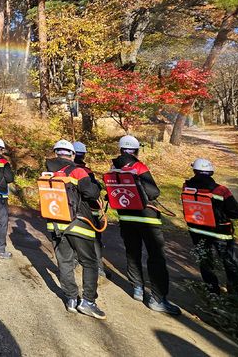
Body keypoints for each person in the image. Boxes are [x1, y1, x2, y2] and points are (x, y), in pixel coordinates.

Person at [112, 135, 180, 315]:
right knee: (156, 256)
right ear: (136, 150)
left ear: (120, 149)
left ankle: (137, 289)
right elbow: (153, 192)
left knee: (132, 252)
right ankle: (157, 299)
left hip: (126, 219)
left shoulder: (113, 167)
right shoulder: (138, 166)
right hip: (146, 218)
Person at [45, 140, 105, 319]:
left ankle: (71, 299)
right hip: (79, 223)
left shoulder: (48, 173)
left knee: (64, 262)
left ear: (56, 153)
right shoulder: (78, 171)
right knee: (90, 262)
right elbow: (91, 193)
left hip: (55, 224)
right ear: (72, 155)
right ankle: (88, 302)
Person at [183, 158, 238, 295]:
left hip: (197, 231)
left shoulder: (186, 187)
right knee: (229, 261)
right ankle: (235, 293)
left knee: (205, 261)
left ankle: (212, 290)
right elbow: (236, 212)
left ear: (195, 171)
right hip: (220, 233)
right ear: (211, 172)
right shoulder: (221, 190)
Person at [73, 141, 107, 278]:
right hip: (87, 211)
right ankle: (99, 267)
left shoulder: (62, 171)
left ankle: (74, 261)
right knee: (94, 239)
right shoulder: (85, 172)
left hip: (70, 211)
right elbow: (93, 191)